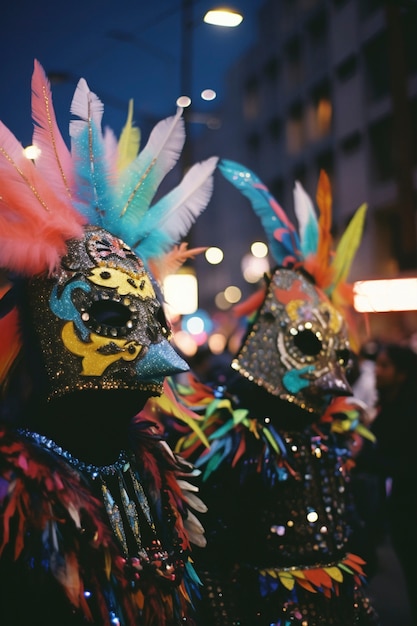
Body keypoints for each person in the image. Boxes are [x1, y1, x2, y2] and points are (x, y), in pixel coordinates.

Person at [0, 60, 217, 625]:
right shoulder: (10, 491)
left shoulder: (153, 466)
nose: (161, 355)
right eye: (114, 316)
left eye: (156, 321)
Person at [167, 161, 380, 625]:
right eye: (308, 342)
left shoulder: (332, 433)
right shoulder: (230, 442)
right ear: (267, 340)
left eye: (337, 352)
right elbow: (215, 551)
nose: (332, 373)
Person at [365, 343, 417, 623]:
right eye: (378, 365)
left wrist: (363, 459)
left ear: (402, 373)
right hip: (399, 504)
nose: (377, 371)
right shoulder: (390, 402)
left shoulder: (408, 409)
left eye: (385, 366)